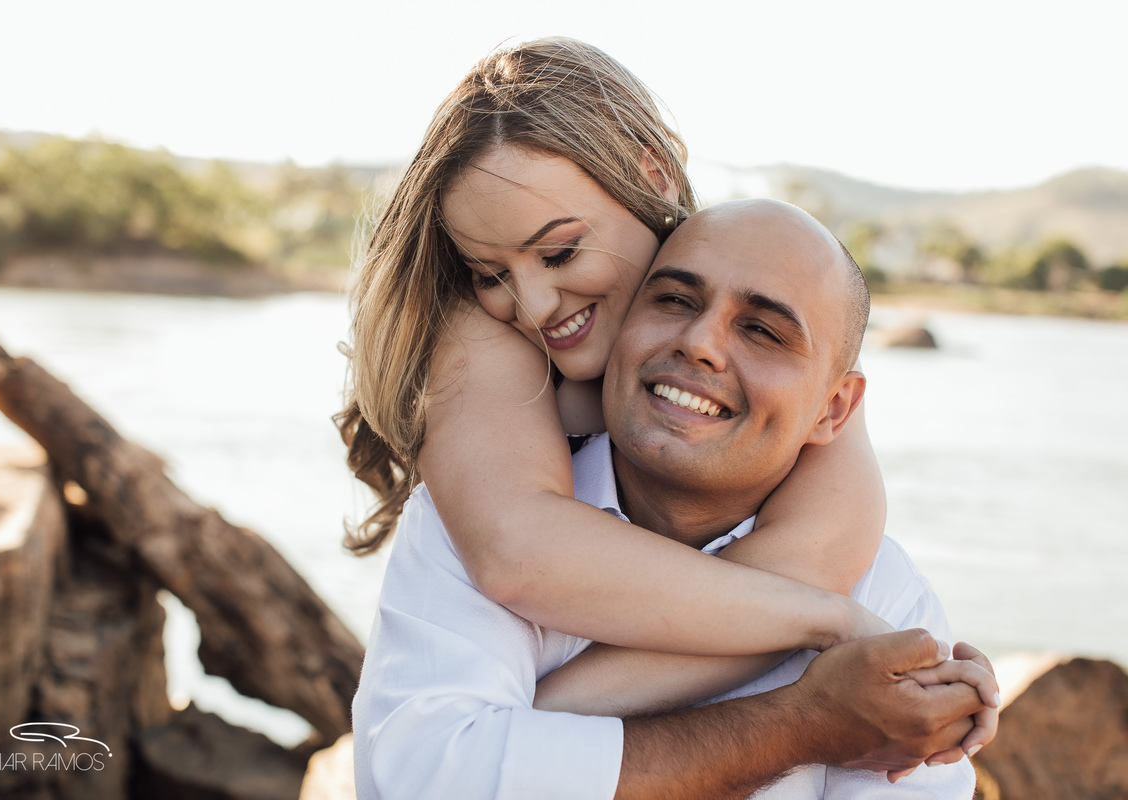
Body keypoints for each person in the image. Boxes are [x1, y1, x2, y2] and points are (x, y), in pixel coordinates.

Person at [351, 200, 998, 799]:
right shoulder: (462, 523)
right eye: (674, 300)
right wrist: (805, 724)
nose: (700, 342)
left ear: (834, 409)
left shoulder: (884, 594)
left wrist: (535, 735)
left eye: (763, 331)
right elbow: (432, 776)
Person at [338, 36, 893, 691]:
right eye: (489, 272)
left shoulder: (764, 327)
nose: (535, 306)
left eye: (560, 252)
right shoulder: (479, 336)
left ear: (651, 177)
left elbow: (814, 562)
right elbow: (518, 553)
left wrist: (562, 715)